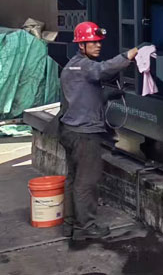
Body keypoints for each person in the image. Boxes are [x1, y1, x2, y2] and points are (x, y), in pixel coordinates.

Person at [59, 21, 138, 240]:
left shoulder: (71, 66)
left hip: (70, 130)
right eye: (92, 42)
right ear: (81, 45)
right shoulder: (85, 67)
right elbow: (102, 69)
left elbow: (82, 96)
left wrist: (109, 95)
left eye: (98, 42)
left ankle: (70, 224)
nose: (98, 45)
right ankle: (86, 227)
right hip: (84, 135)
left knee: (73, 179)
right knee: (87, 181)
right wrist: (129, 55)